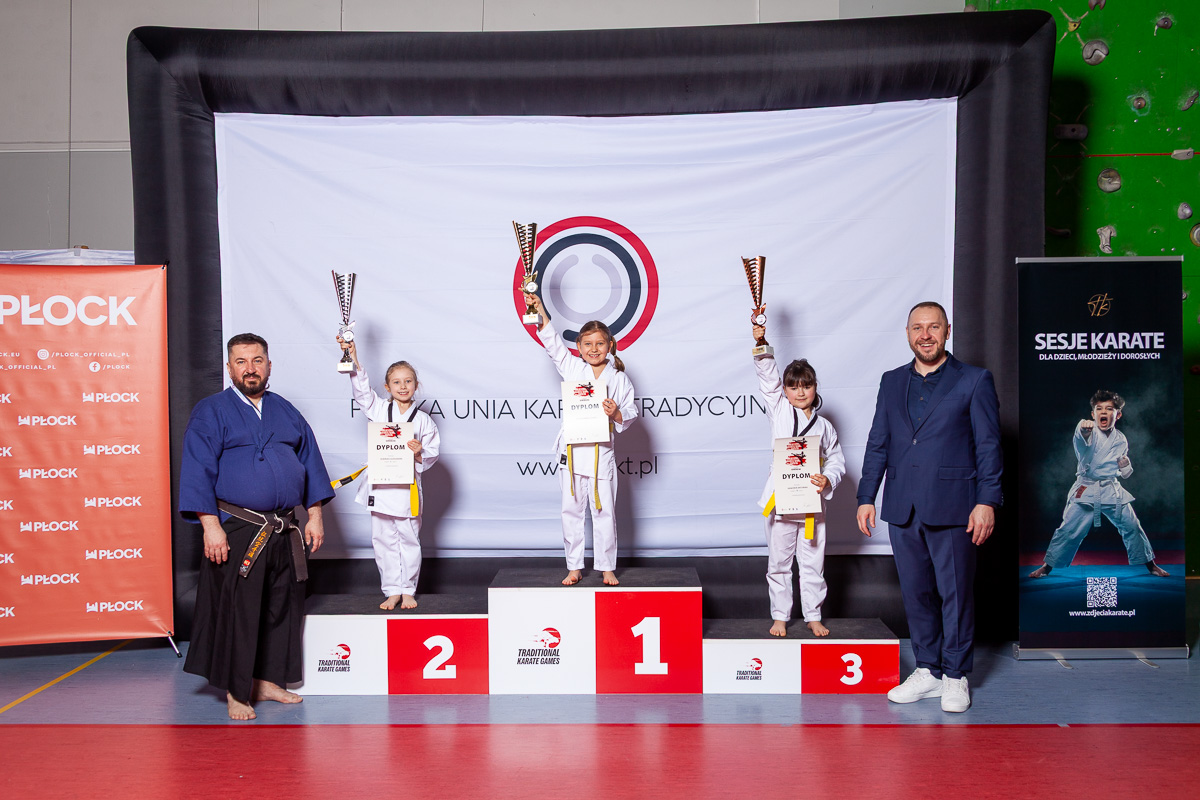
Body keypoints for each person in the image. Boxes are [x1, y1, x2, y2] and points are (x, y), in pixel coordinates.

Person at [179, 333, 334, 720]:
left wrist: (315, 515)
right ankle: (237, 688)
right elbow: (197, 470)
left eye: (257, 360)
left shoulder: (285, 410)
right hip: (238, 527)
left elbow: (311, 462)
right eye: (241, 361)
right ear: (229, 367)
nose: (250, 368)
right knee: (240, 610)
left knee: (280, 607)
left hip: (284, 527)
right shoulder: (211, 410)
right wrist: (210, 526)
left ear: (268, 365)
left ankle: (267, 680)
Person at [856, 302, 1001, 713]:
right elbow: (878, 442)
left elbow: (988, 446)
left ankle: (955, 675)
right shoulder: (891, 381)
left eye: (933, 327)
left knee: (955, 594)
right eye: (917, 328)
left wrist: (987, 501)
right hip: (902, 505)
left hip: (955, 506)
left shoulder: (974, 380)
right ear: (907, 333)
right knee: (916, 593)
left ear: (947, 331)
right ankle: (928, 669)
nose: (925, 335)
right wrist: (866, 496)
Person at [524, 292, 638, 586]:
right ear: (579, 347)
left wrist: (616, 413)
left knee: (604, 512)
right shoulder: (573, 368)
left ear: (610, 345)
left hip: (601, 453)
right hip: (573, 452)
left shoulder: (619, 378)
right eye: (587, 344)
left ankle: (606, 567)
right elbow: (552, 344)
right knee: (570, 511)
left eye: (600, 343)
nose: (594, 349)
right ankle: (574, 566)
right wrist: (539, 309)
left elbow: (631, 412)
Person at [752, 324, 845, 637]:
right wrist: (762, 343)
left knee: (813, 562)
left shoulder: (825, 426)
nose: (800, 392)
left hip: (811, 503)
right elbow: (767, 379)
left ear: (815, 387)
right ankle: (780, 616)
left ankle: (813, 614)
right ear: (785, 390)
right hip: (781, 500)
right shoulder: (779, 410)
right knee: (779, 562)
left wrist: (827, 478)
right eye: (793, 387)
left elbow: (837, 460)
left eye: (806, 386)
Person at [338, 336, 442, 609]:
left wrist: (419, 452)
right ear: (387, 387)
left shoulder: (424, 421)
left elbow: (432, 453)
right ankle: (391, 589)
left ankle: (408, 589)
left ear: (416, 385)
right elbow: (362, 393)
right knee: (382, 540)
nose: (403, 386)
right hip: (381, 487)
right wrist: (353, 357)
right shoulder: (379, 409)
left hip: (407, 489)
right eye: (396, 382)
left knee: (409, 539)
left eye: (408, 381)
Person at [1028, 390, 1169, 579]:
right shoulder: (1087, 431)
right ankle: (1047, 567)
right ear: (1093, 414)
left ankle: (1151, 565)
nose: (1103, 411)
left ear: (1117, 415)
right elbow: (1081, 439)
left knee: (1133, 526)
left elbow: (1125, 473)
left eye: (1109, 408)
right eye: (1099, 408)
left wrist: (1126, 465)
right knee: (1069, 530)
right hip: (1087, 489)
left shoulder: (1121, 439)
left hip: (1111, 489)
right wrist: (1083, 429)